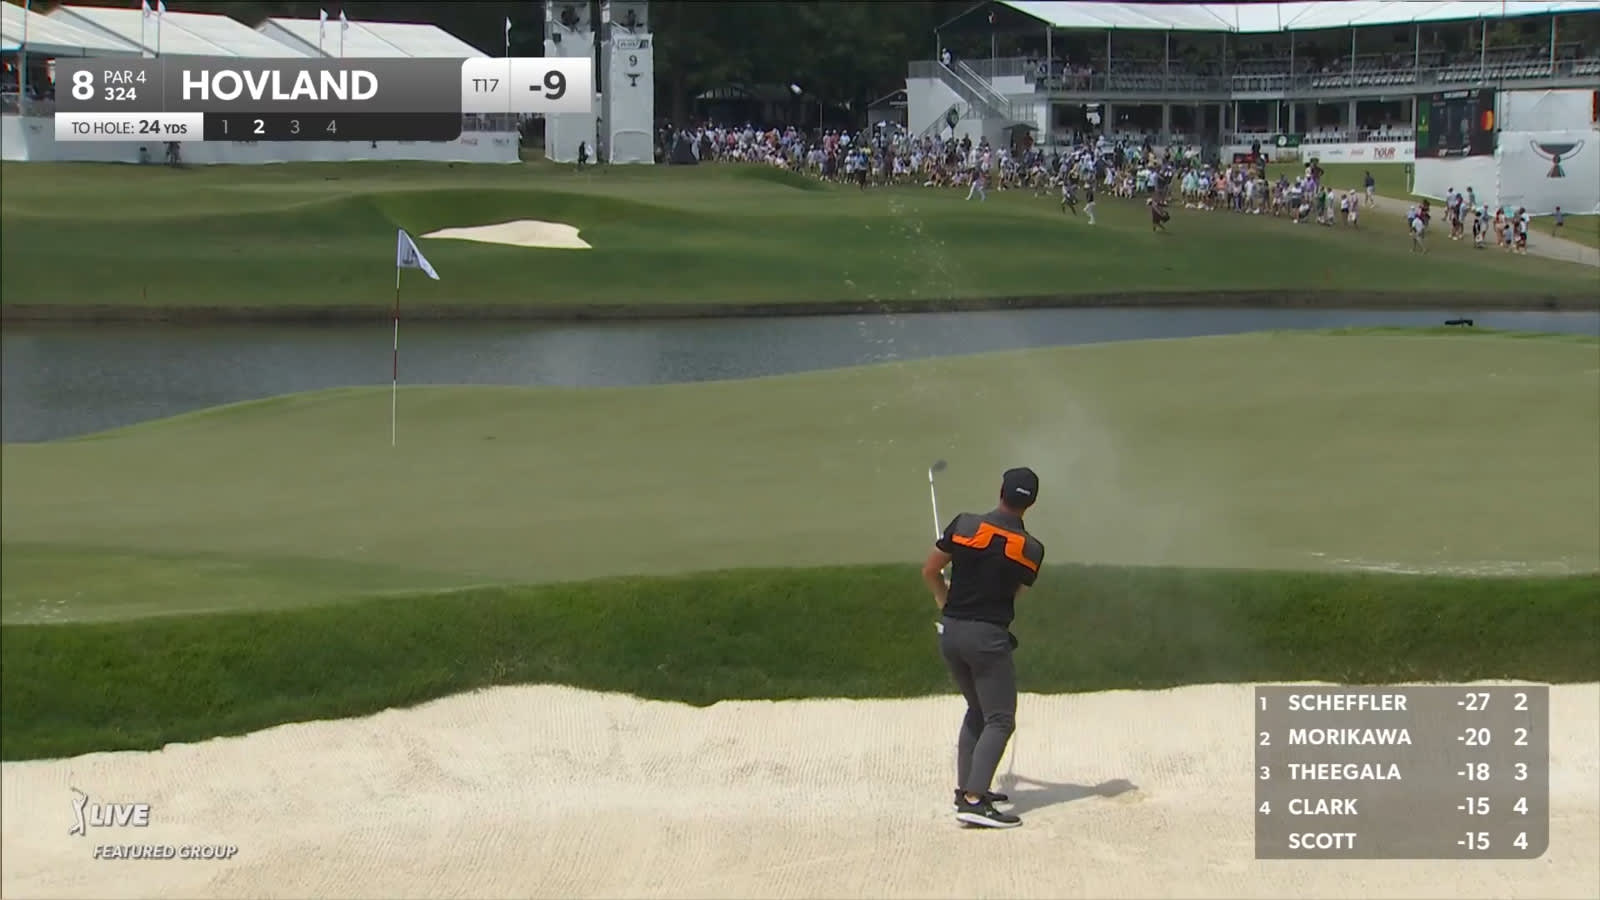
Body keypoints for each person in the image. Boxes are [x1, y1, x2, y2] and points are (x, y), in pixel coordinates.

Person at [922, 467, 1046, 829]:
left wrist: (945, 602)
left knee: (977, 710)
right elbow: (1014, 594)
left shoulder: (964, 526)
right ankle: (974, 801)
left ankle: (968, 789)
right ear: (1031, 503)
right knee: (1000, 718)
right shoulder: (1032, 550)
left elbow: (930, 570)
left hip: (952, 633)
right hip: (987, 638)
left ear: (1000, 491)